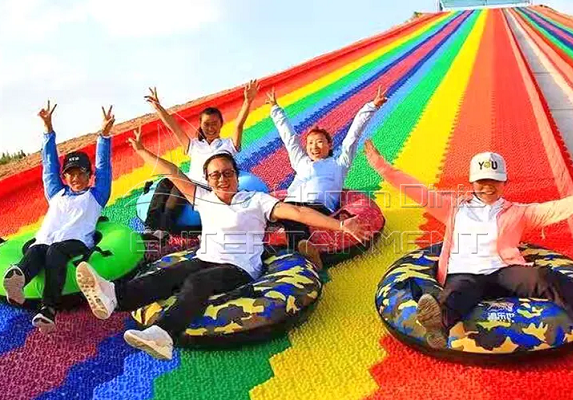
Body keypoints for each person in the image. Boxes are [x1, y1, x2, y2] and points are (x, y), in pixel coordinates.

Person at [75, 128, 368, 360]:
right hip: (206, 257)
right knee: (169, 275)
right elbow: (172, 172)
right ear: (208, 179)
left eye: (228, 173)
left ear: (237, 176)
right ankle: (114, 296)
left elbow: (298, 212)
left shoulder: (256, 200)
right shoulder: (203, 198)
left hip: (239, 268)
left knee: (197, 283)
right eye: (215, 175)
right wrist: (141, 150)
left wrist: (340, 224)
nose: (222, 178)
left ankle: (163, 335)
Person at [364, 141, 573, 348]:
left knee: (545, 278)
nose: (488, 186)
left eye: (494, 181)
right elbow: (416, 190)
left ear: (504, 181)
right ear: (472, 181)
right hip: (465, 273)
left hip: (504, 272)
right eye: (482, 181)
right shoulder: (453, 208)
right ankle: (437, 324)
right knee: (457, 295)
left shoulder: (518, 212)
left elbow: (556, 208)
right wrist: (379, 164)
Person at [3, 101, 115, 333]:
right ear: (65, 177)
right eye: (70, 174)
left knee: (55, 251)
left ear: (88, 175)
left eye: (80, 173)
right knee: (37, 249)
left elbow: (104, 166)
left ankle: (49, 309)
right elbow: (49, 165)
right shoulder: (57, 193)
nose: (75, 178)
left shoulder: (96, 195)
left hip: (75, 242)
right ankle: (18, 281)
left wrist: (103, 136)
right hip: (46, 241)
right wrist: (48, 129)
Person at [266, 86, 388, 268]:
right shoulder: (301, 162)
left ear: (329, 145)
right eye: (310, 143)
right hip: (289, 204)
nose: (314, 146)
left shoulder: (339, 164)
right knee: (269, 210)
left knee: (293, 217)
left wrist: (371, 106)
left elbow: (353, 135)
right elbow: (289, 138)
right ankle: (301, 248)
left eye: (320, 142)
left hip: (317, 207)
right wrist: (276, 110)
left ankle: (302, 253)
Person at [142, 81, 260, 233]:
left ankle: (163, 231)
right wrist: (158, 108)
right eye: (206, 124)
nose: (210, 128)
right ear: (201, 125)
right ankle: (149, 227)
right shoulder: (194, 145)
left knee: (177, 191)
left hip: (207, 187)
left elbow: (238, 125)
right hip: (189, 182)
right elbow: (174, 127)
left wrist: (248, 101)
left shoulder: (228, 145)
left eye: (214, 124)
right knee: (165, 182)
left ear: (221, 124)